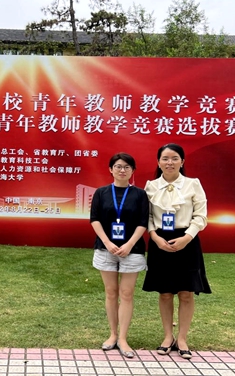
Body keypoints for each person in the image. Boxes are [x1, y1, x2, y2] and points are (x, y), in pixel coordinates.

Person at [142, 143, 211, 360]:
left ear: (182, 161)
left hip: (187, 241)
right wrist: (155, 237)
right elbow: (147, 217)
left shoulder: (193, 184)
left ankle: (182, 339)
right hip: (159, 241)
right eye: (165, 158)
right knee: (164, 292)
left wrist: (187, 238)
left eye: (174, 158)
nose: (169, 162)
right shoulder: (151, 186)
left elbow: (201, 215)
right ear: (158, 162)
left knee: (186, 292)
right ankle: (167, 336)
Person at [90, 152, 149, 359]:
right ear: (111, 169)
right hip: (106, 249)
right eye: (118, 166)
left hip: (132, 249)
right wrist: (107, 242)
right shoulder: (101, 193)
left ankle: (123, 338)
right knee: (110, 292)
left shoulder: (140, 194)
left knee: (126, 293)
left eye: (126, 167)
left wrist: (129, 244)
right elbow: (95, 219)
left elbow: (143, 222)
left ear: (133, 171)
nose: (122, 170)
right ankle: (112, 334)